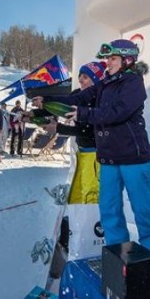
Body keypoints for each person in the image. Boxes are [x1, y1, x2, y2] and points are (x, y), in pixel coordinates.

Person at [33, 40, 150, 278]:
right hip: (108, 158)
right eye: (108, 60)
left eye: (113, 59)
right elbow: (79, 98)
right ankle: (119, 256)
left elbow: (118, 111)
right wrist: (45, 99)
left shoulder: (133, 83)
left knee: (143, 210)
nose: (108, 63)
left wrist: (85, 113)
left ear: (127, 60)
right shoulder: (105, 83)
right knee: (109, 210)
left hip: (133, 157)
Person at [28, 61, 106, 203]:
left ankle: (93, 220)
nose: (81, 79)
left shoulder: (99, 100)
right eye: (80, 76)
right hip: (81, 150)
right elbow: (61, 107)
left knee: (91, 190)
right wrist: (34, 113)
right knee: (81, 186)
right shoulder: (77, 94)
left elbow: (87, 131)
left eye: (86, 77)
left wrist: (58, 128)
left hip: (95, 152)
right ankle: (79, 216)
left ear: (95, 80)